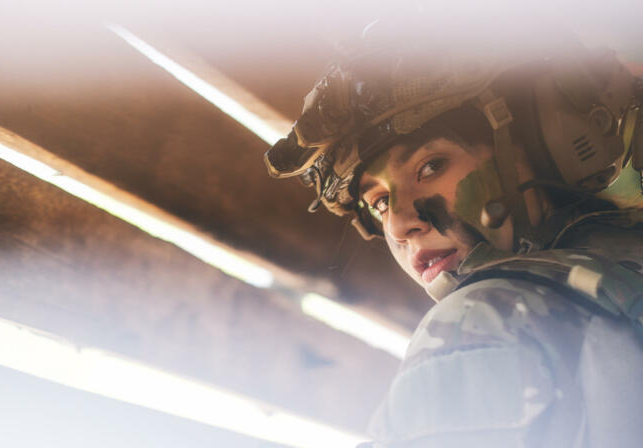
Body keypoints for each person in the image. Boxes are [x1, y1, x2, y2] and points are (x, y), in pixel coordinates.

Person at [264, 25, 643, 447]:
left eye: (431, 167)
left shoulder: (487, 318)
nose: (398, 224)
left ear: (539, 148)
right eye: (380, 203)